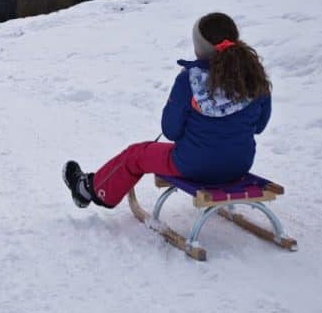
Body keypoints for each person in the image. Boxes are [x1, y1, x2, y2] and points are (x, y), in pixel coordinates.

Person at [64, 12, 272, 209]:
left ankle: (87, 189)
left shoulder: (188, 80)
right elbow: (260, 126)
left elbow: (171, 130)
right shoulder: (254, 76)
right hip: (239, 164)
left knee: (135, 155)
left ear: (200, 48)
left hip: (193, 165)